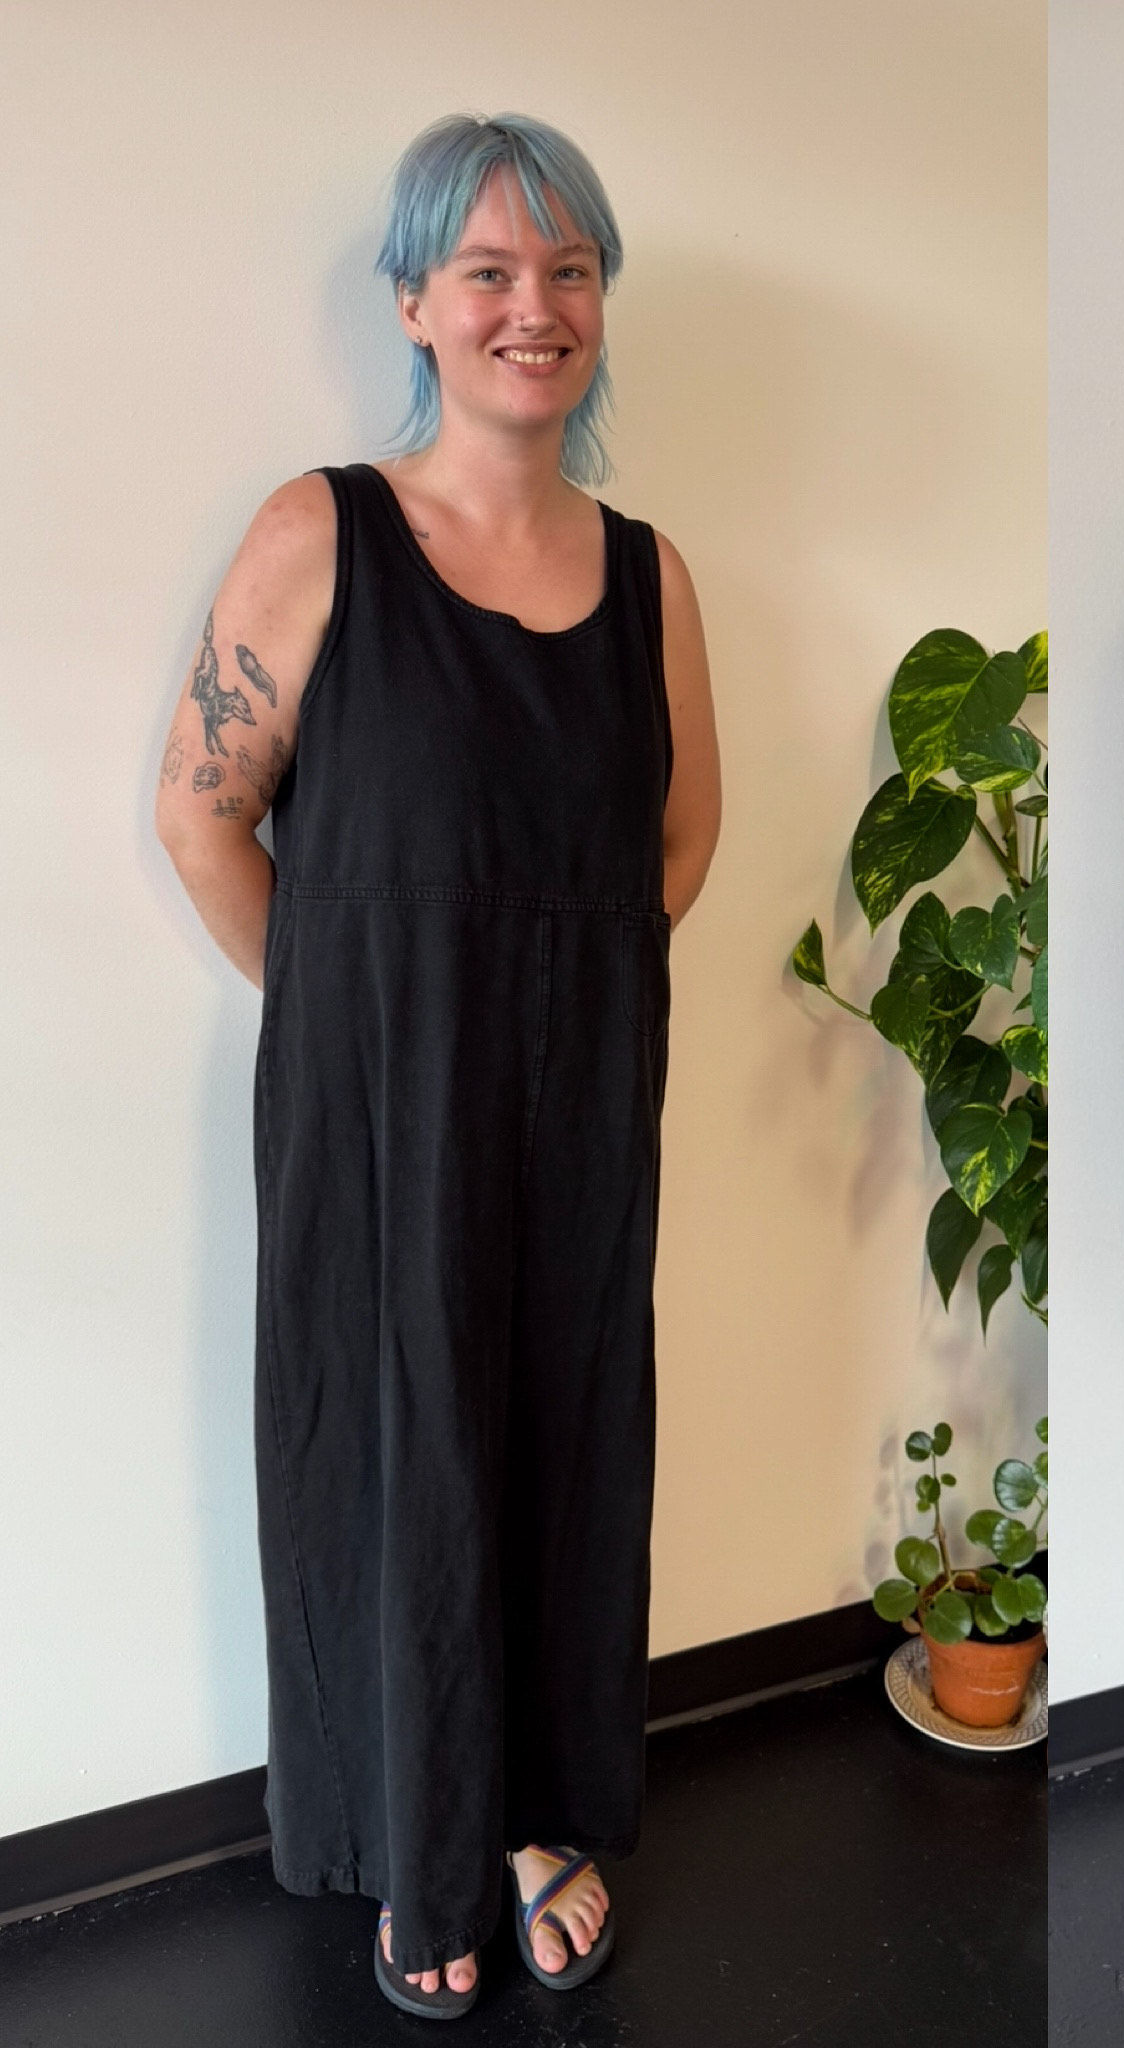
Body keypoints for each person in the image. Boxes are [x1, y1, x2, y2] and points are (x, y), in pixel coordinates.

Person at [153, 113, 721, 2018]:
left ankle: (537, 1802)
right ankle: (416, 1839)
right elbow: (203, 812)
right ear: (415, 302)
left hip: (583, 1106)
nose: (532, 308)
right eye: (488, 270)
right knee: (394, 1455)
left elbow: (679, 843)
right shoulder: (323, 532)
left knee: (560, 1442)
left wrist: (552, 1008)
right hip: (375, 1110)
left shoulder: (652, 576)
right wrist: (350, 1014)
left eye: (568, 272)